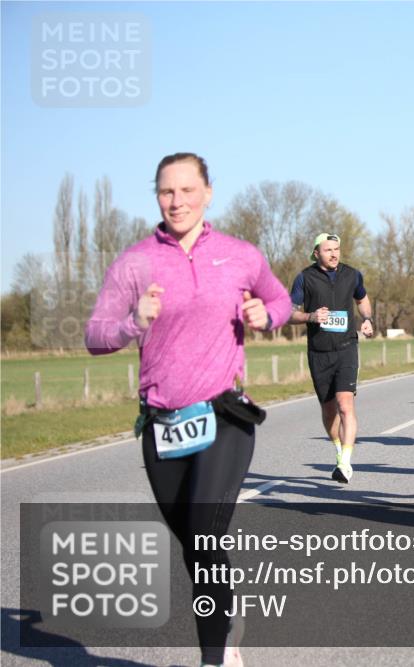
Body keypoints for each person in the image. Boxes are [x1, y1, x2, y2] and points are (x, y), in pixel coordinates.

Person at [86, 153, 292, 667]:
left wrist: (265, 314)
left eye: (186, 190)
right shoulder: (134, 263)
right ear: (156, 195)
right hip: (162, 423)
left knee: (203, 531)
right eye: (165, 191)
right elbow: (96, 334)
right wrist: (133, 322)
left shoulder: (239, 254)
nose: (176, 201)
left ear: (208, 192)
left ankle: (214, 657)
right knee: (195, 548)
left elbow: (281, 300)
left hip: (224, 414)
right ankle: (226, 614)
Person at [289, 233, 374, 483]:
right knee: (328, 412)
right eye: (328, 250)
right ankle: (338, 450)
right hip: (319, 352)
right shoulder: (305, 278)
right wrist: (310, 317)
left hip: (347, 347)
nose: (334, 254)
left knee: (345, 405)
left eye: (337, 249)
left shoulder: (352, 274)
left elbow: (363, 299)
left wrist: (367, 319)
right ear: (316, 253)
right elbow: (288, 312)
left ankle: (345, 463)